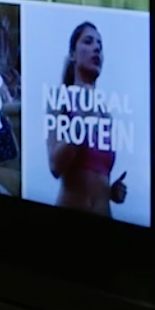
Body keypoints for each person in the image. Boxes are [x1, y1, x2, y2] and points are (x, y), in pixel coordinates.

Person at [48, 22, 128, 216]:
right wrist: (83, 121)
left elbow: (95, 174)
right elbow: (55, 166)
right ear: (73, 55)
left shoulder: (105, 112)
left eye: (100, 45)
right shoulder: (61, 99)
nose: (97, 48)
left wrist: (111, 191)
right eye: (88, 42)